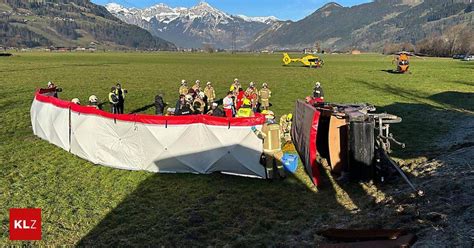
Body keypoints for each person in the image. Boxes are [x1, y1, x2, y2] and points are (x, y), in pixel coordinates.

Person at [252, 111, 286, 179]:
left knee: (269, 165)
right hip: (278, 148)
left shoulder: (265, 126)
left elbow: (261, 136)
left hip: (268, 149)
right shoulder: (278, 125)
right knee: (279, 163)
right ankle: (282, 175)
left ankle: (270, 177)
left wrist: (255, 130)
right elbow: (282, 136)